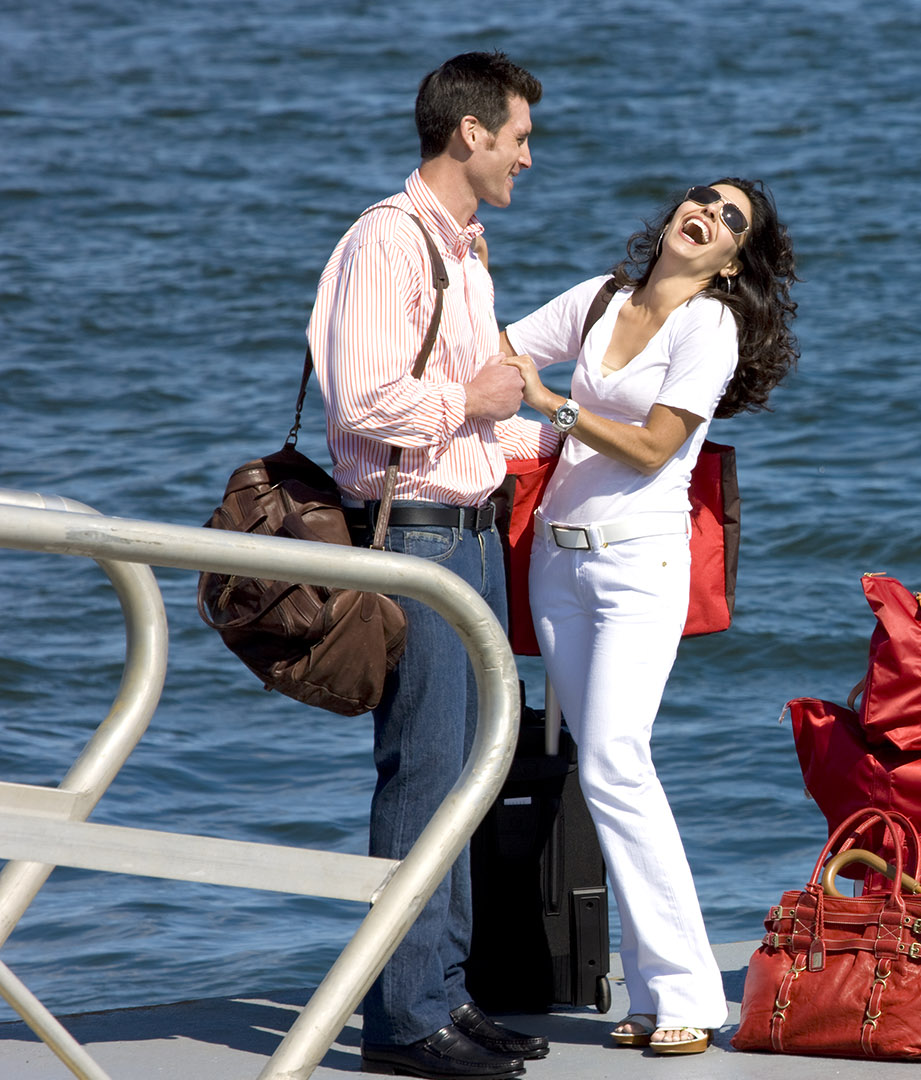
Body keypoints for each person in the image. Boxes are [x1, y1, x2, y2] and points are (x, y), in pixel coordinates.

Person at [497, 178, 798, 1055]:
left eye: (731, 220)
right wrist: (458, 285)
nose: (709, 213)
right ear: (675, 215)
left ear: (730, 259)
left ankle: (691, 994)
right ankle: (652, 988)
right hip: (559, 561)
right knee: (600, 771)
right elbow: (498, 349)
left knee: (618, 765)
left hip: (640, 567)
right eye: (704, 199)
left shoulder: (710, 326)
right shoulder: (599, 299)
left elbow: (657, 444)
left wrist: (549, 404)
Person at [307, 51, 556, 1080]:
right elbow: (361, 403)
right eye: (521, 137)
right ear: (470, 133)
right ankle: (407, 1022)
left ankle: (444, 995)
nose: (529, 159)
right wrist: (477, 405)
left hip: (469, 534)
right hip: (413, 536)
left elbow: (470, 402)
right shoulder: (389, 242)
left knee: (467, 775)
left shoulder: (461, 246)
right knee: (424, 776)